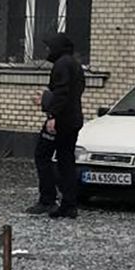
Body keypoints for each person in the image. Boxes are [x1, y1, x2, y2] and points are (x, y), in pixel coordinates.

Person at [28, 33, 86, 218]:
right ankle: (69, 204)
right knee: (66, 161)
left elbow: (61, 93)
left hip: (61, 120)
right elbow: (72, 92)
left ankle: (47, 199)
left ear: (56, 47)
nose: (47, 51)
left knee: (42, 155)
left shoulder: (61, 64)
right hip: (73, 119)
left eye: (49, 47)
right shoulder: (74, 64)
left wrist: (52, 114)